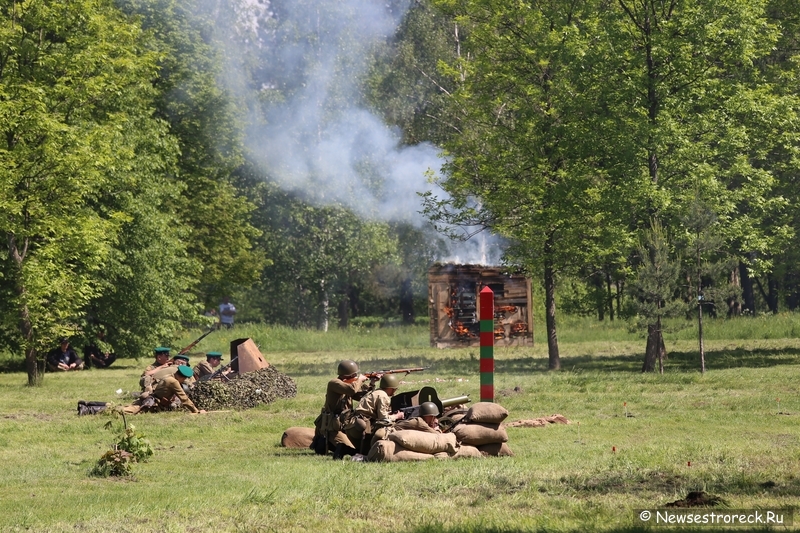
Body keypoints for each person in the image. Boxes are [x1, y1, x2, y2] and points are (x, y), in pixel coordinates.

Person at [313, 359, 374, 459]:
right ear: (348, 376)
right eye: (355, 375)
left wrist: (372, 383)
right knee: (352, 449)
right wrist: (360, 380)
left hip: (344, 424)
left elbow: (361, 397)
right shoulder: (334, 383)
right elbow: (352, 390)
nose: (356, 377)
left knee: (362, 448)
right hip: (333, 427)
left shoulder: (347, 385)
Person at [350, 373, 405, 455]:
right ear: (391, 388)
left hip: (354, 423)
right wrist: (397, 416)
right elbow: (383, 419)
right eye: (394, 389)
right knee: (388, 427)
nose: (394, 391)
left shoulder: (377, 392)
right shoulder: (383, 396)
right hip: (363, 426)